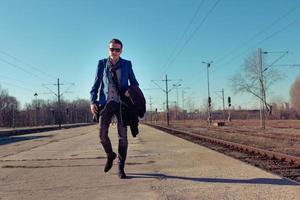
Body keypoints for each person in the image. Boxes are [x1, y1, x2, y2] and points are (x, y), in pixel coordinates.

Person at [90, 38, 139, 179]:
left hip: (121, 104)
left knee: (122, 137)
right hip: (106, 103)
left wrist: (129, 90)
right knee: (102, 135)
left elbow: (135, 83)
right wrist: (93, 101)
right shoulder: (101, 64)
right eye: (112, 49)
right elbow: (96, 84)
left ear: (121, 51)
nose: (115, 52)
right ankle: (110, 155)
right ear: (108, 50)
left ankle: (120, 167)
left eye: (117, 49)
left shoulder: (127, 64)